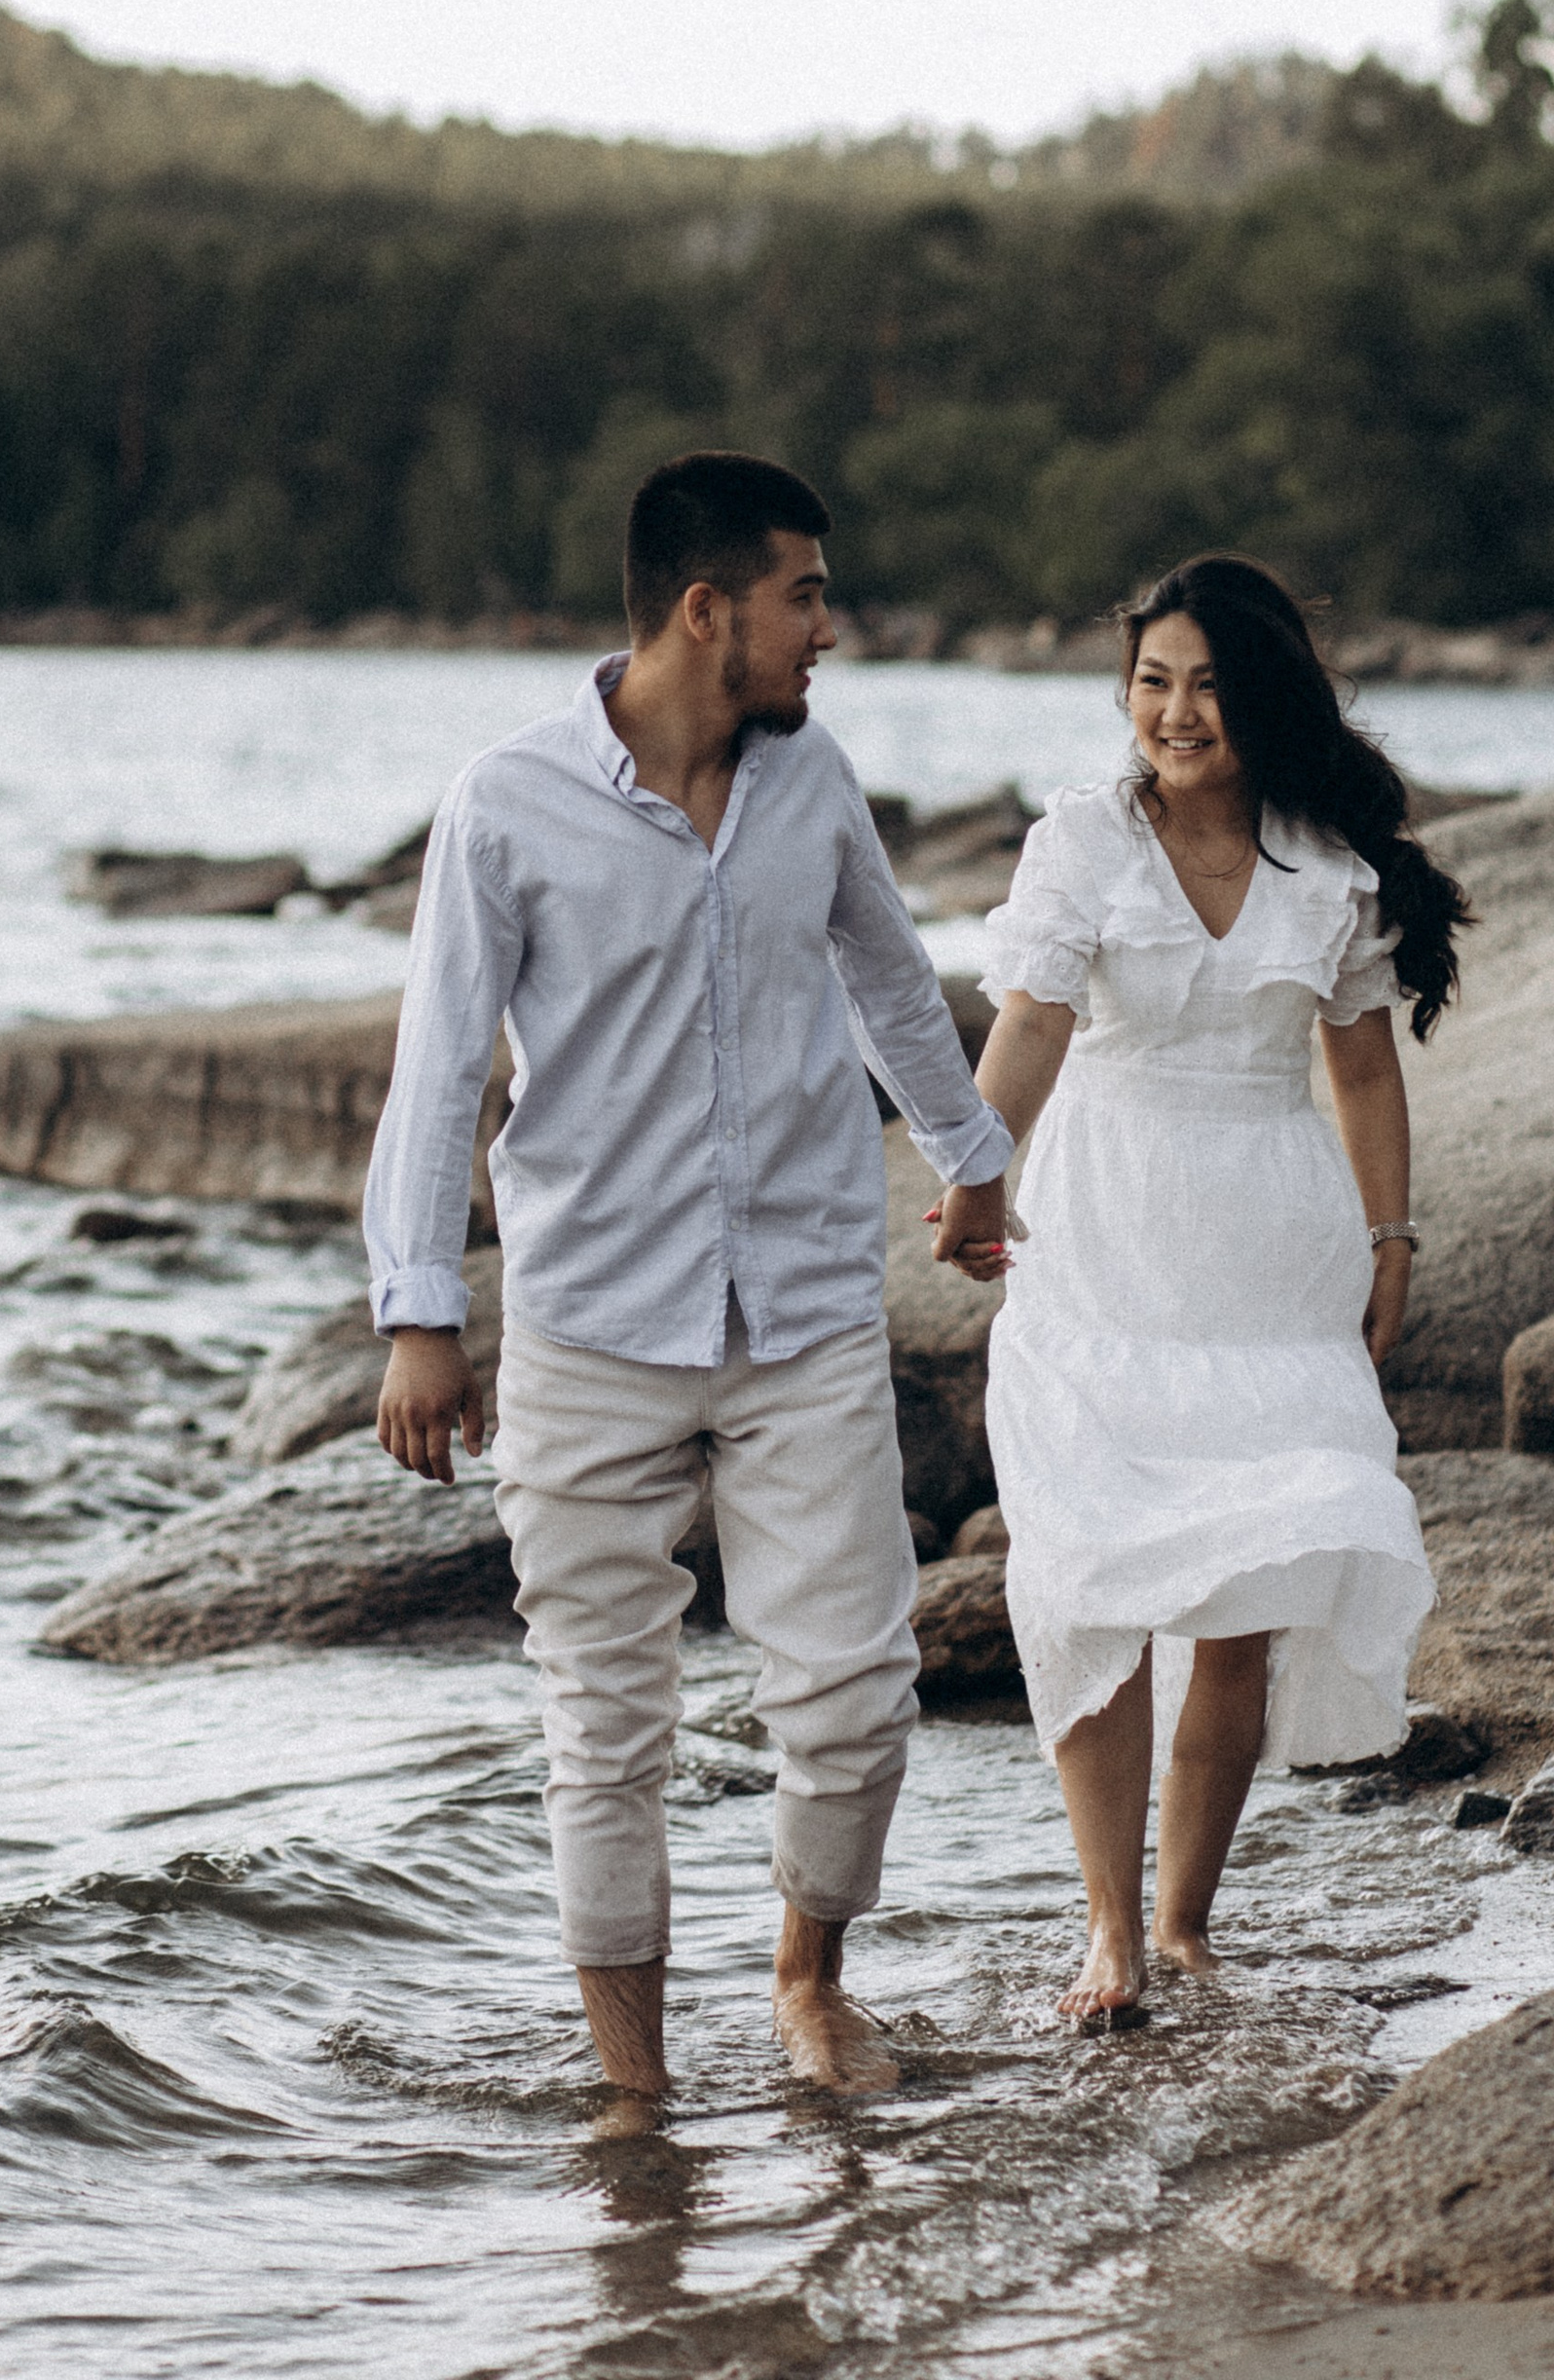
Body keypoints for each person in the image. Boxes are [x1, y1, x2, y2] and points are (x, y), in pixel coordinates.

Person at [365, 451, 1011, 2119]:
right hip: (589, 1324)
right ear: (707, 610)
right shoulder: (508, 801)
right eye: (807, 595)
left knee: (860, 1695)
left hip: (799, 1311)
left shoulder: (814, 781)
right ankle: (637, 2090)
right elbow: (440, 1065)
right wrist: (420, 1312)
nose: (830, 630)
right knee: (606, 1730)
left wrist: (972, 1151)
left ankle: (807, 1981)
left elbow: (886, 973)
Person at [970, 553, 1466, 2026]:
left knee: (1247, 1584)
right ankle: (1110, 1933)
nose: (1175, 714)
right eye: (1151, 682)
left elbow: (1362, 1065)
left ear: (1262, 696)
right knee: (1090, 1577)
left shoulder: (1334, 864)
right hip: (1101, 1242)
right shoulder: (1079, 845)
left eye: (1205, 684)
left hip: (1271, 1252)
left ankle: (1187, 1922)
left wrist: (1391, 1241)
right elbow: (1033, 1024)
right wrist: (976, 1170)